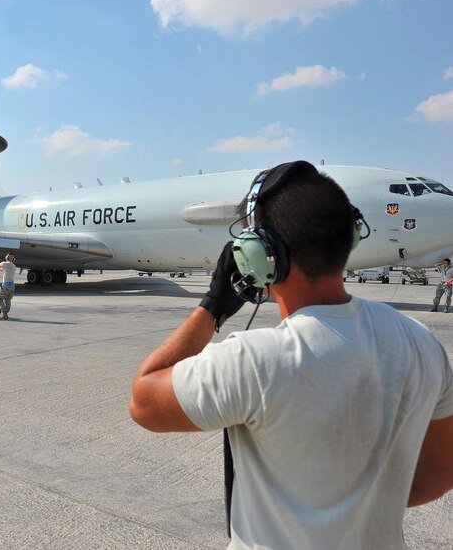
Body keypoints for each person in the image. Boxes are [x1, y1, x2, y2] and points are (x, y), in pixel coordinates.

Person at [129, 161, 453, 549]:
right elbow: (438, 473)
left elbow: (143, 401)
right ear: (350, 238)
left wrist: (213, 305)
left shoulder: (255, 360)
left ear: (258, 253)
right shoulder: (421, 343)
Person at [0, 253, 17, 320]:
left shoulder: (4, 264)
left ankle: (4, 313)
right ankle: (5, 313)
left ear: (7, 257)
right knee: (8, 300)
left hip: (5, 286)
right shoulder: (14, 266)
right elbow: (3, 270)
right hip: (12, 286)